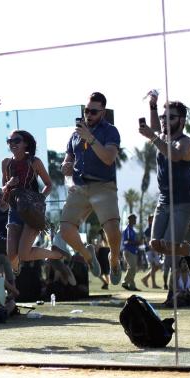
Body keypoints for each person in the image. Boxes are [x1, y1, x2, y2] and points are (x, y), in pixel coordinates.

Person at [59, 92, 123, 285]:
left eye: (93, 111)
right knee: (65, 229)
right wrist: (66, 169)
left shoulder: (110, 131)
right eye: (86, 110)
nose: (89, 114)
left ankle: (114, 259)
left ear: (102, 112)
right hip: (80, 186)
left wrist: (91, 138)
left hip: (103, 185)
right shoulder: (75, 135)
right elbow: (67, 160)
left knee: (112, 230)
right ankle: (88, 255)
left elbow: (108, 158)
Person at [139, 97, 190, 277]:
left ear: (181, 120)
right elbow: (156, 130)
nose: (164, 122)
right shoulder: (161, 138)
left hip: (184, 201)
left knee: (170, 245)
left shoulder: (186, 143)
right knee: (155, 244)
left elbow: (175, 155)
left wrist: (152, 136)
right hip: (164, 199)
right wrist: (153, 105)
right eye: (162, 117)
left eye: (170, 118)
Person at [0, 129, 53, 272]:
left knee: (24, 254)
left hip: (32, 211)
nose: (12, 144)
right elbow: (4, 190)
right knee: (11, 255)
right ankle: (16, 270)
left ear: (26, 144)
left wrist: (40, 199)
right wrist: (8, 184)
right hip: (14, 210)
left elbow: (49, 185)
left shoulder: (35, 161)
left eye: (17, 140)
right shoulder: (6, 163)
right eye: (10, 141)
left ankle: (56, 255)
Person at [120, 214, 142, 291]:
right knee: (132, 267)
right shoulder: (128, 229)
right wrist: (137, 242)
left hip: (133, 251)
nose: (135, 220)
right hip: (128, 250)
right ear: (130, 220)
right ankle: (125, 282)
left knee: (133, 268)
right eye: (134, 219)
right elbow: (127, 241)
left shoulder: (132, 230)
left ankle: (132, 286)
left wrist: (137, 242)